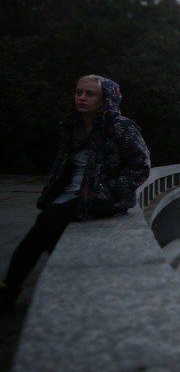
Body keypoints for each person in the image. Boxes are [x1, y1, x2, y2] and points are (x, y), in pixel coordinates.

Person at [0, 75, 150, 312]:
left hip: (102, 198)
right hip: (69, 195)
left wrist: (107, 190)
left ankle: (24, 292)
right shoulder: (71, 126)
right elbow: (63, 166)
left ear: (105, 99)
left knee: (48, 221)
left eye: (90, 94)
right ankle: (11, 291)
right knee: (33, 240)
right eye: (79, 92)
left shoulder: (120, 126)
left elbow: (141, 167)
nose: (81, 97)